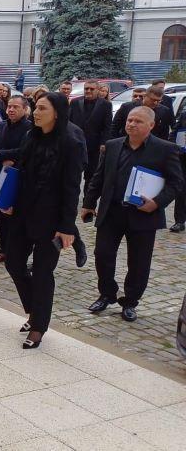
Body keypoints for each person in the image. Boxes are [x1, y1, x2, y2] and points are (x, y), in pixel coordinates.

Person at [83, 106, 184, 322]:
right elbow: (99, 177)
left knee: (139, 263)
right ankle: (107, 293)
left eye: (138, 121)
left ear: (151, 125)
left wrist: (157, 203)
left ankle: (130, 301)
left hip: (143, 215)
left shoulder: (165, 149)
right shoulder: (113, 145)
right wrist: (88, 203)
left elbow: (176, 183)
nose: (132, 124)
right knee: (102, 255)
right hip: (112, 211)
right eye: (130, 120)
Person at [1, 92, 82, 349]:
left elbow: (72, 188)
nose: (36, 113)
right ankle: (33, 309)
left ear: (57, 113)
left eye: (42, 109)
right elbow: (21, 171)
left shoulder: (71, 142)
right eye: (35, 108)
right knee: (13, 262)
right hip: (23, 212)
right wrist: (9, 199)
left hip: (51, 219)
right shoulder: (31, 136)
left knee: (43, 272)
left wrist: (66, 226)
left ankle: (38, 326)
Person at [0, 96, 32, 264]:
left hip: (17, 176)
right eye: (9, 106)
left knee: (15, 216)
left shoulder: (30, 128)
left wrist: (0, 154)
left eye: (15, 107)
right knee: (0, 214)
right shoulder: (2, 125)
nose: (11, 109)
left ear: (24, 109)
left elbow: (24, 151)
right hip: (0, 175)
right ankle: (3, 249)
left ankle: (17, 251)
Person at [69, 79, 113, 189]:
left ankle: (87, 198)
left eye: (91, 89)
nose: (88, 91)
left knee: (91, 175)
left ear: (98, 90)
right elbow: (69, 121)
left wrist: (104, 143)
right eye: (86, 88)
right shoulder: (75, 102)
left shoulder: (106, 105)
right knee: (73, 173)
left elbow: (107, 126)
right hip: (76, 143)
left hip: (94, 146)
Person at [170, 106, 186, 233]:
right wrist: (174, 147)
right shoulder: (184, 114)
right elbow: (174, 132)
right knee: (182, 189)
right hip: (183, 157)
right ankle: (179, 221)